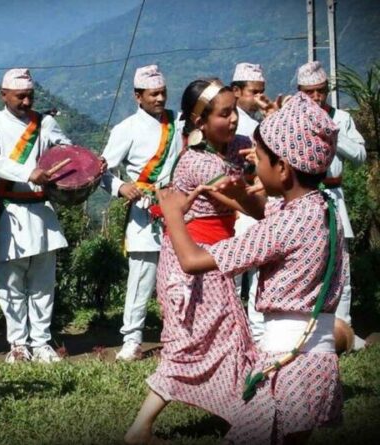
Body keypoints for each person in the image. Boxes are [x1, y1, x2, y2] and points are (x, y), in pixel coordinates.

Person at [158, 92, 346, 444]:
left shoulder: (283, 226)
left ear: (284, 169)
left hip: (284, 363)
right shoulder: (322, 208)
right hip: (315, 363)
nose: (252, 166)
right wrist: (244, 194)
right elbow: (266, 211)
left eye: (259, 159)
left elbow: (193, 261)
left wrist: (172, 215)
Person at [124, 79, 263, 444]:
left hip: (214, 257)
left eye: (235, 110)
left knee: (226, 337)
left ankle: (243, 413)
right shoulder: (197, 163)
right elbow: (247, 201)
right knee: (197, 342)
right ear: (200, 121)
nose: (234, 120)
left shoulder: (240, 147)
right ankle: (143, 428)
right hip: (192, 261)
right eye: (224, 113)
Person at [0, 68, 73, 363]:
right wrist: (26, 171)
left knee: (43, 281)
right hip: (11, 210)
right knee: (11, 282)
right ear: (3, 94)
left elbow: (67, 151)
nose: (27, 102)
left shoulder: (46, 123)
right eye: (20, 96)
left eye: (30, 96)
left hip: (43, 210)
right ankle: (18, 343)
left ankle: (41, 341)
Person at [101, 64, 184, 361]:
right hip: (144, 210)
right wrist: (122, 187)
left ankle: (178, 336)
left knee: (180, 276)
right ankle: (132, 339)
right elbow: (102, 171)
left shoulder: (179, 122)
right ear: (138, 96)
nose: (160, 99)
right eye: (153, 94)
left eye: (163, 93)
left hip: (177, 206)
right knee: (141, 277)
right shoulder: (125, 129)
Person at [297, 61, 367, 351]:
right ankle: (307, 333)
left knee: (342, 271)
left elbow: (360, 155)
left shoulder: (341, 117)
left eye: (321, 91)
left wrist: (333, 134)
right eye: (310, 92)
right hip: (303, 198)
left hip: (334, 197)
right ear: (300, 92)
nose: (316, 98)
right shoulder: (293, 118)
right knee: (305, 270)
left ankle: (344, 332)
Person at [231, 62, 271, 342]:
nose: (259, 98)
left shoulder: (262, 124)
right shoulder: (229, 125)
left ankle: (257, 333)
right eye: (253, 92)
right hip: (234, 206)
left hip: (258, 203)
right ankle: (232, 330)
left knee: (259, 273)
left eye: (262, 92)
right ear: (236, 92)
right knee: (232, 272)